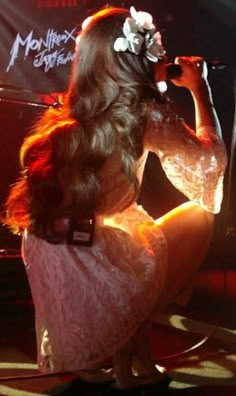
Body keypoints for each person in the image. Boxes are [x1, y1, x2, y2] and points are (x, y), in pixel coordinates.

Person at [3, 5, 227, 390]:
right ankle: (128, 352)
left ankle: (122, 354)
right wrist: (200, 90)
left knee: (131, 230)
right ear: (137, 61)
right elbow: (210, 162)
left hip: (55, 259)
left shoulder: (68, 114)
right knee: (200, 216)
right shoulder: (143, 116)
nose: (161, 55)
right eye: (155, 51)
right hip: (97, 259)